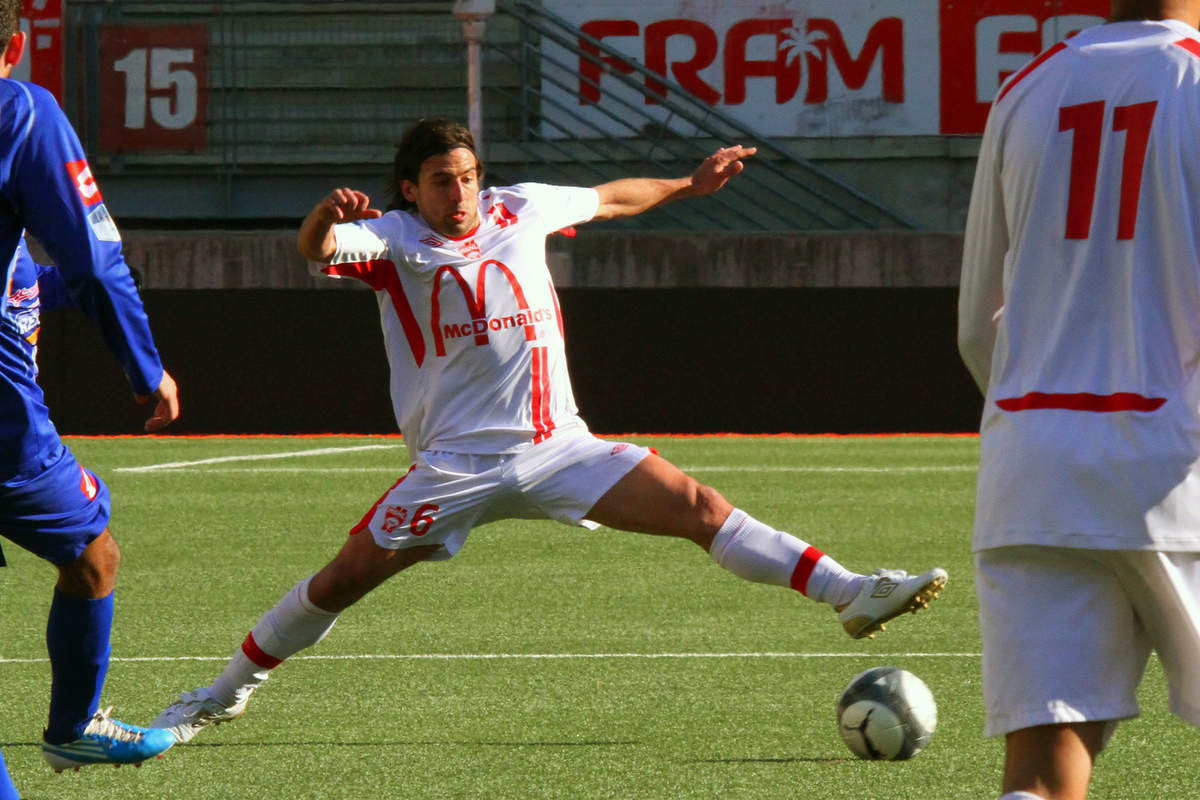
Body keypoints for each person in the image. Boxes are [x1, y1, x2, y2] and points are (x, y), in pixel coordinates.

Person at [151, 116, 946, 744]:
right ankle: (219, 696)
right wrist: (326, 214)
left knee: (700, 507)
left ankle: (850, 592)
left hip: (559, 446)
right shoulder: (394, 241)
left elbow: (610, 195)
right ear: (410, 189)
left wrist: (689, 184)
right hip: (455, 467)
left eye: (465, 177)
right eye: (440, 181)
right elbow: (315, 249)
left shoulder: (519, 208)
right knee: (339, 583)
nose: (458, 193)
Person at [958, 3, 1200, 799]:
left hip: (1031, 467)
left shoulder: (1027, 87)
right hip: (1177, 467)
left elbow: (975, 325)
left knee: (1041, 766)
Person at [0, 0, 180, 791]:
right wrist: (146, 369)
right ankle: (73, 728)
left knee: (91, 548)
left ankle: (74, 728)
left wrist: (56, 287)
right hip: (2, 431)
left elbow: (26, 271)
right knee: (90, 549)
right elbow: (97, 260)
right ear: (17, 43)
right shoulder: (20, 110)